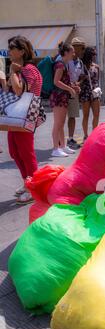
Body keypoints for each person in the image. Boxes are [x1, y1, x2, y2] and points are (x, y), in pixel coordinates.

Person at [6, 36, 43, 205]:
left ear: (21, 51)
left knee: (26, 153)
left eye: (12, 48)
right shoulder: (20, 68)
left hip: (25, 115)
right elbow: (9, 89)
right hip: (16, 115)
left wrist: (13, 72)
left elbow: (19, 91)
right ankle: (27, 182)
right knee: (15, 151)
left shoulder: (28, 69)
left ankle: (33, 188)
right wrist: (12, 73)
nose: (9, 51)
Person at [50, 42, 79, 158]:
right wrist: (70, 89)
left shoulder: (63, 64)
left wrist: (72, 87)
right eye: (72, 52)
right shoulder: (60, 64)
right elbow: (56, 81)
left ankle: (62, 146)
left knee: (61, 123)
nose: (74, 54)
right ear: (66, 52)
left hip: (61, 96)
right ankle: (55, 149)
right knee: (58, 124)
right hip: (58, 97)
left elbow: (62, 81)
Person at [67, 38, 86, 150]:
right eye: (80, 47)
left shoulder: (80, 62)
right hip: (64, 90)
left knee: (72, 115)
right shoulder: (65, 59)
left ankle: (70, 138)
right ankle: (59, 141)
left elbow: (82, 75)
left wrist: (78, 83)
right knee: (60, 118)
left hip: (74, 91)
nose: (82, 50)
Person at [80, 47, 101, 141]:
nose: (94, 56)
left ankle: (94, 134)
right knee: (86, 115)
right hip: (85, 92)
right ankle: (85, 135)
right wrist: (82, 79)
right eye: (93, 54)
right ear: (89, 55)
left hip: (95, 92)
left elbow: (97, 79)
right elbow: (78, 79)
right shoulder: (81, 65)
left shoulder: (96, 67)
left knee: (96, 114)